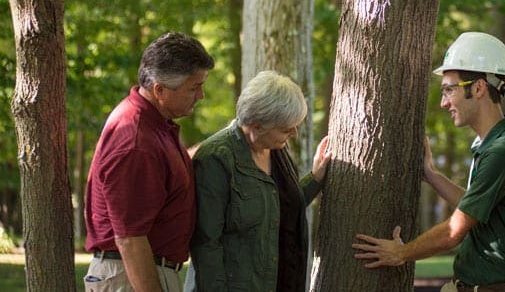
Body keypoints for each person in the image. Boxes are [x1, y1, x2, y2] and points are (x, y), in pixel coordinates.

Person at [352, 32, 505, 292]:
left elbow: (455, 231)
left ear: (478, 88)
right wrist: (430, 175)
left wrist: (401, 253)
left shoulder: (504, 151)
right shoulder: (498, 144)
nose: (443, 103)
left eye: (449, 90)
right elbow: (474, 207)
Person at [84, 32, 215, 292]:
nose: (200, 95)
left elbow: (164, 175)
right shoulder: (136, 141)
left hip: (140, 271)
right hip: (132, 275)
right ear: (160, 90)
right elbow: (130, 239)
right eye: (193, 87)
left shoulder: (153, 125)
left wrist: (223, 146)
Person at [185, 70, 332, 292]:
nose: (293, 133)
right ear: (256, 126)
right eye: (285, 128)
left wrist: (315, 178)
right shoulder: (216, 159)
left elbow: (278, 206)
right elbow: (206, 244)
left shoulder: (276, 149)